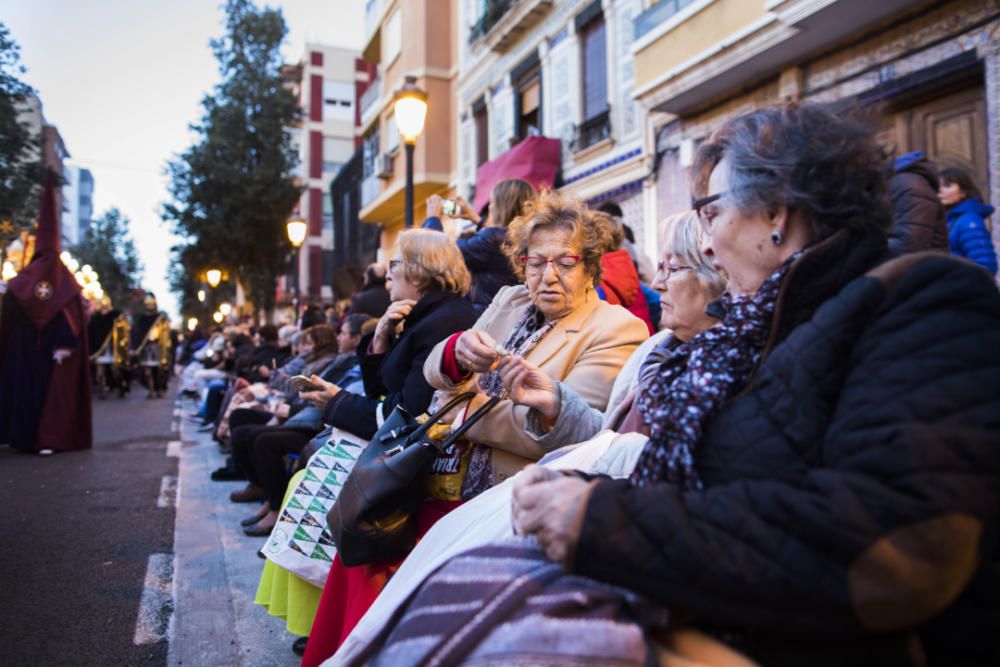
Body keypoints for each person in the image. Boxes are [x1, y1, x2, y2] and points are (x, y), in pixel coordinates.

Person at [361, 104, 1000, 666]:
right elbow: (716, 479)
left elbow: (885, 551)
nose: (705, 241)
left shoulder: (926, 303)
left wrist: (601, 517)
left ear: (774, 215)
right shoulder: (750, 330)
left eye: (711, 212)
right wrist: (591, 490)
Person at [331, 210, 726, 664]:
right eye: (535, 262)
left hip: (506, 488)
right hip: (439, 470)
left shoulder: (618, 329)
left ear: (590, 267)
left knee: (399, 550)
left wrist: (457, 406)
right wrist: (455, 354)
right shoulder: (510, 302)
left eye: (565, 261)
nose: (547, 275)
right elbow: (432, 376)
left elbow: (565, 436)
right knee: (358, 525)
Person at [0, 176, 92, 455]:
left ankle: (36, 437)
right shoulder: (61, 278)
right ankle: (26, 436)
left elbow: (69, 313)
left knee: (38, 392)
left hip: (41, 346)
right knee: (30, 392)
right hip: (34, 346)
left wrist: (64, 342)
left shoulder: (31, 277)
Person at [425, 178, 535, 308]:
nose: (490, 207)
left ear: (501, 207)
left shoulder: (492, 239)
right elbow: (497, 238)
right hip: (509, 311)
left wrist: (433, 218)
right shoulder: (528, 235)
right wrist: (475, 218)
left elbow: (441, 250)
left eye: (492, 202)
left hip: (484, 314)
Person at [886, 150, 948, 256]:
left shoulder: (909, 185)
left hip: (914, 269)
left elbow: (906, 246)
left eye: (948, 186)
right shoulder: (893, 183)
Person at [939, 166, 998, 274]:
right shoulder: (951, 219)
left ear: (963, 192)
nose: (940, 191)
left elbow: (985, 265)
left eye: (947, 186)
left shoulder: (969, 220)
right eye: (938, 186)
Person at [87, 295, 130, 399]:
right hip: (99, 349)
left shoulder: (115, 316)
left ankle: (121, 388)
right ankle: (102, 392)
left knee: (116, 370)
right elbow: (91, 335)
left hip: (113, 349)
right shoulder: (95, 318)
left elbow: (122, 331)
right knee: (100, 372)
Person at [130, 293, 170, 398]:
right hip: (145, 348)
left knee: (159, 370)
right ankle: (151, 390)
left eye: (151, 304)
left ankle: (160, 388)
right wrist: (135, 347)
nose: (149, 306)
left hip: (157, 348)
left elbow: (165, 333)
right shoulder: (142, 319)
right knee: (147, 371)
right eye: (148, 304)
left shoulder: (160, 318)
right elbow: (137, 334)